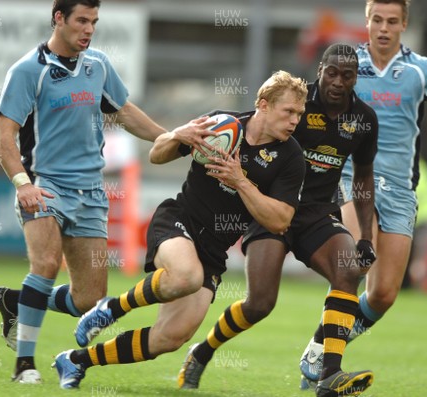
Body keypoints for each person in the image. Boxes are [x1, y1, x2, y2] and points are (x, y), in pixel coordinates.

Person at [0, 0, 211, 384]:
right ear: (58, 19)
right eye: (81, 20)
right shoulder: (28, 71)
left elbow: (125, 112)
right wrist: (23, 184)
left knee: (88, 300)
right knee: (44, 265)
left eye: (94, 21)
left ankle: (15, 299)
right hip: (45, 185)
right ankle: (24, 365)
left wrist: (173, 137)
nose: (89, 29)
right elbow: (3, 137)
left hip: (91, 191)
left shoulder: (99, 65)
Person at [51, 70, 308, 390]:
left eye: (300, 113)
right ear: (264, 105)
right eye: (289, 112)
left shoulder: (291, 157)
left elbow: (280, 220)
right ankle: (112, 308)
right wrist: (177, 135)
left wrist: (240, 180)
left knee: (170, 338)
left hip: (213, 251)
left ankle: (76, 361)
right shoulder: (221, 125)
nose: (295, 120)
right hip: (179, 221)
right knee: (186, 276)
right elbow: (156, 155)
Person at [299, 0, 427, 388]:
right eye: (377, 20)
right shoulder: (349, 66)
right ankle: (328, 368)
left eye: (392, 21)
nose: (384, 28)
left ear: (404, 25)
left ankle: (319, 345)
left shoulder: (423, 70)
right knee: (354, 264)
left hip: (400, 189)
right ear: (367, 21)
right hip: (353, 178)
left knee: (382, 294)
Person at [177, 44, 379, 397]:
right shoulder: (297, 104)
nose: (337, 81)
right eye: (331, 72)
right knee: (259, 304)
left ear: (355, 79)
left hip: (317, 213)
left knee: (348, 270)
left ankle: (329, 374)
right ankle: (203, 350)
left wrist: (364, 236)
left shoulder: (364, 120)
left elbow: (362, 177)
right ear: (321, 69)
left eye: (346, 75)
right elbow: (254, 122)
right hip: (270, 208)